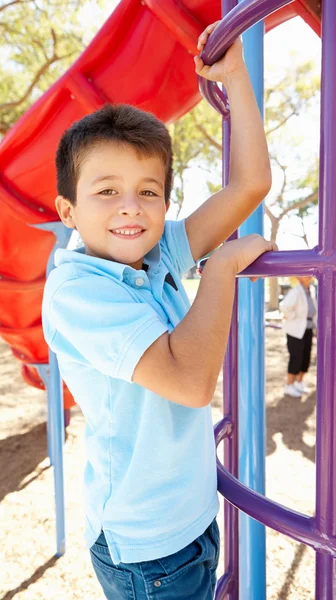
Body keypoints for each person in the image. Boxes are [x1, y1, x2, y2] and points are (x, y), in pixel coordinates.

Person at [42, 21, 275, 600]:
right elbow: (190, 381)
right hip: (148, 547)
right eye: (106, 191)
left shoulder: (155, 251)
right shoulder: (77, 290)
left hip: (190, 518)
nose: (132, 208)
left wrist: (236, 79)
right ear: (67, 210)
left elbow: (249, 185)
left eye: (149, 191)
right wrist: (219, 269)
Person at [279, 276, 317, 397]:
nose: (309, 276)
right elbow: (284, 307)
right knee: (296, 357)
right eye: (305, 274)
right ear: (299, 277)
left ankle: (299, 382)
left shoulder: (311, 290)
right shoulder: (296, 291)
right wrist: (293, 318)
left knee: (306, 357)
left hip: (308, 329)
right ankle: (289, 385)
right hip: (296, 331)